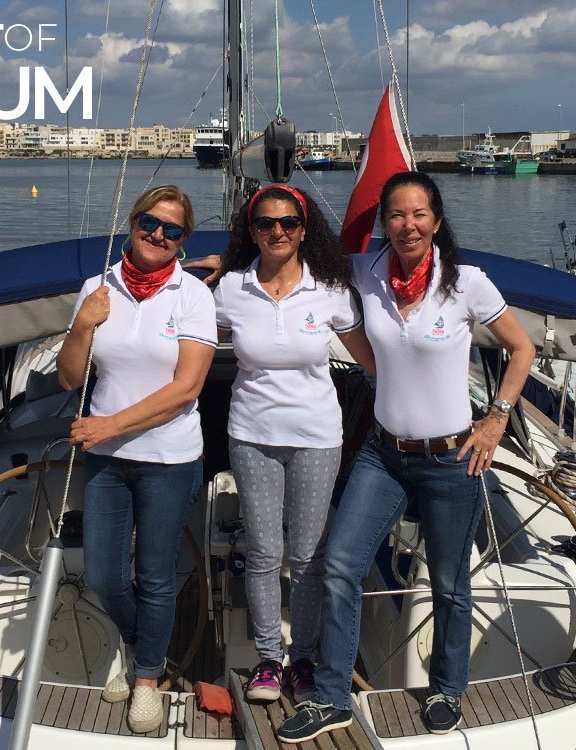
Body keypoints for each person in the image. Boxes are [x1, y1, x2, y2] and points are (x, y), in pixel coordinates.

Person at [277, 171, 536, 743]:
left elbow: (523, 348)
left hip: (451, 458)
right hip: (383, 453)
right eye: (396, 214)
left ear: (436, 221)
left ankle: (447, 688)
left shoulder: (466, 283)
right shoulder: (365, 274)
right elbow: (301, 278)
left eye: (418, 214)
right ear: (384, 224)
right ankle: (332, 696)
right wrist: (225, 272)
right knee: (341, 564)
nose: (407, 224)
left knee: (448, 582)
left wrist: (495, 419)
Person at [59, 185, 217, 734]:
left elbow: (187, 388)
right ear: (133, 222)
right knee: (104, 573)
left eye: (172, 230)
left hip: (170, 458)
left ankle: (147, 676)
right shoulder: (95, 289)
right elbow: (71, 378)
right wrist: (83, 325)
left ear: (182, 241)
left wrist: (109, 425)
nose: (158, 235)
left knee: (154, 576)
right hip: (108, 460)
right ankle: (137, 642)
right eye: (151, 223)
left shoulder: (192, 295)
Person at [212, 184, 376, 705]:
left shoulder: (328, 288)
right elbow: (188, 336)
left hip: (317, 439)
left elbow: (370, 357)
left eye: (287, 223)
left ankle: (302, 658)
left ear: (304, 229)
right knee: (263, 552)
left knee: (307, 555)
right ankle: (268, 659)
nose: (276, 231)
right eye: (265, 223)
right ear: (251, 230)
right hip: (251, 435)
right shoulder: (230, 289)